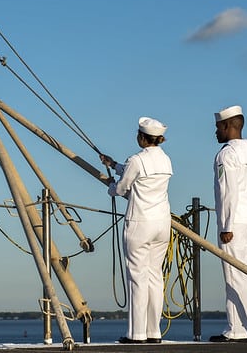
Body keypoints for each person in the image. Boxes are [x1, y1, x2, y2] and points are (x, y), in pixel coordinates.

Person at [100, 117, 173, 344]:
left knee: (137, 278)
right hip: (162, 224)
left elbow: (122, 188)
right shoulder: (166, 160)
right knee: (155, 277)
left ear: (142, 137)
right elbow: (135, 172)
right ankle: (154, 331)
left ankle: (136, 333)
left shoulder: (136, 160)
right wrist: (114, 164)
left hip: (140, 223)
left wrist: (111, 187)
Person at [210, 105, 247, 343]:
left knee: (233, 274)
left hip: (234, 220)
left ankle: (237, 330)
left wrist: (226, 226)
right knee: (245, 274)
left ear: (227, 126)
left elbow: (227, 191)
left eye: (218, 127)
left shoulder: (227, 154)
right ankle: (246, 327)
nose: (215, 132)